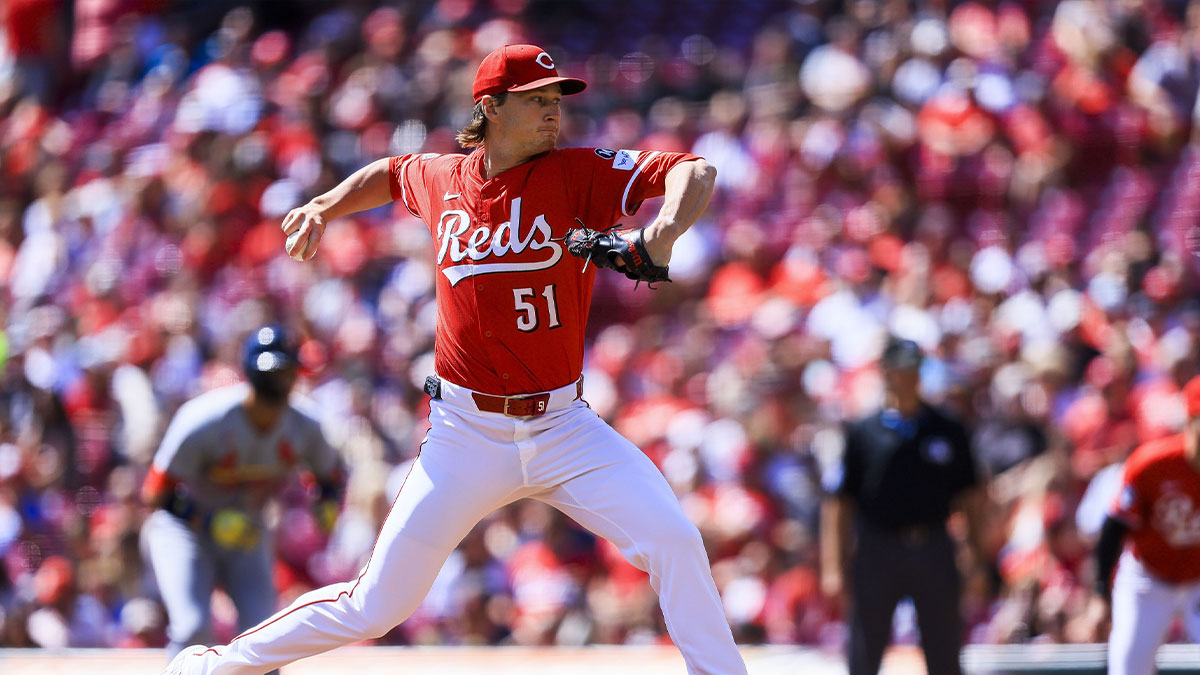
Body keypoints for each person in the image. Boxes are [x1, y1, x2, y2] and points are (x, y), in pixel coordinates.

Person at [163, 43, 745, 675]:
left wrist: (660, 233)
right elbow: (388, 173)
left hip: (564, 426)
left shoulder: (581, 172)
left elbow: (696, 171)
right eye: (536, 100)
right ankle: (214, 666)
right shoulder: (444, 177)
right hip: (466, 434)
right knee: (377, 604)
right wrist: (325, 206)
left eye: (556, 100)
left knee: (674, 540)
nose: (554, 112)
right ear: (489, 106)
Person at [142, 325, 344, 669]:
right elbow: (155, 493)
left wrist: (325, 501)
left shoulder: (304, 425)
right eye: (274, 372)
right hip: (185, 532)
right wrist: (208, 520)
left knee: (265, 636)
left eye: (287, 372)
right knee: (191, 628)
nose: (280, 382)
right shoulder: (205, 418)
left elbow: (331, 476)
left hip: (248, 532)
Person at [820, 337, 987, 675]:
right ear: (886, 373)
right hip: (877, 549)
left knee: (944, 650)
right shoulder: (863, 432)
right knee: (865, 651)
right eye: (901, 370)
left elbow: (970, 497)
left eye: (914, 369)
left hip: (933, 547)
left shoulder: (947, 428)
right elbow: (839, 503)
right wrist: (833, 566)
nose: (909, 377)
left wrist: (976, 557)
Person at [1095, 375, 1200, 675]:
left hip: (1198, 579)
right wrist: (1101, 592)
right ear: (1190, 422)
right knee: (1128, 666)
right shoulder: (1152, 463)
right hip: (1148, 578)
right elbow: (1114, 526)